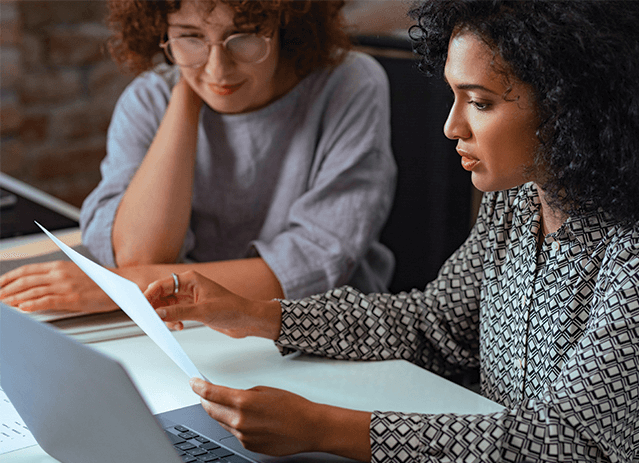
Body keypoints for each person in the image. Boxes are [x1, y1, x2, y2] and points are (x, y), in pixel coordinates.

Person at [144, 0, 639, 463]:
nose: (451, 126)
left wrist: (328, 429)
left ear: (573, 109)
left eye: (481, 102)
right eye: (455, 96)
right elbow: (434, 325)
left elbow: (576, 443)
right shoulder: (519, 202)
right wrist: (255, 315)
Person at [0, 0, 396, 313]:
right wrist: (187, 96)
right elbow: (139, 254)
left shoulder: (350, 84)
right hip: (192, 327)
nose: (218, 67)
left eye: (243, 35)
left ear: (286, 26)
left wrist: (124, 290)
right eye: (190, 36)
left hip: (318, 332)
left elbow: (313, 267)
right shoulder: (151, 97)